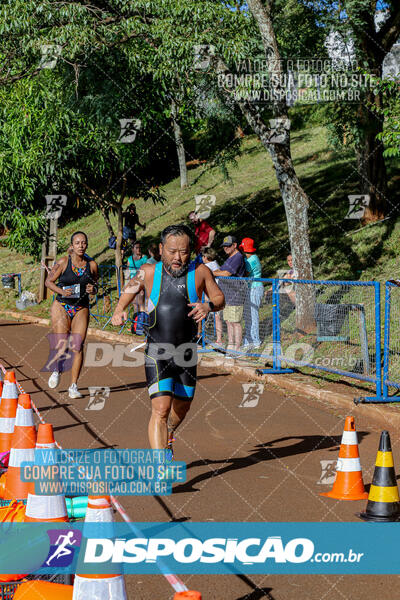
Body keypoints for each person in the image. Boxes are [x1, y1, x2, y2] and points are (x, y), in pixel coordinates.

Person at [111, 224, 225, 455]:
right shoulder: (149, 271)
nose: (177, 257)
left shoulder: (200, 272)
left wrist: (208, 305)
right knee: (160, 409)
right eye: (172, 251)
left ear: (190, 251)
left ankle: (169, 434)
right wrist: (119, 309)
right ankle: (160, 464)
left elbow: (219, 298)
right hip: (158, 351)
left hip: (186, 352)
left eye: (183, 252)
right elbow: (130, 288)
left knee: (181, 408)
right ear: (161, 249)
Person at [45, 231, 98, 398]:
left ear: (87, 244)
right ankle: (57, 369)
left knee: (78, 346)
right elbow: (48, 282)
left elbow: (95, 285)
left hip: (81, 307)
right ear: (72, 246)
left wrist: (93, 289)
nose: (81, 245)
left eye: (83, 242)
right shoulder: (63, 262)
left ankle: (73, 386)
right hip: (62, 305)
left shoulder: (92, 265)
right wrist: (62, 291)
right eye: (77, 243)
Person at [213, 235, 246, 352]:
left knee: (235, 322)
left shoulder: (238, 257)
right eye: (224, 246)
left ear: (235, 245)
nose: (225, 248)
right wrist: (215, 272)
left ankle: (237, 348)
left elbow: (226, 273)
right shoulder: (230, 257)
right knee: (228, 321)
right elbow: (219, 270)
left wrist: (213, 273)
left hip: (235, 294)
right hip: (227, 295)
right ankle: (230, 345)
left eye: (228, 246)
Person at [239, 238, 263, 349]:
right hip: (250, 288)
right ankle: (249, 340)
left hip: (255, 288)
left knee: (253, 315)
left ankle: (255, 341)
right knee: (247, 315)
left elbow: (245, 273)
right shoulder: (250, 258)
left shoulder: (252, 259)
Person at [201, 247, 223, 346]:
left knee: (215, 317)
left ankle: (216, 339)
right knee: (216, 317)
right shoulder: (215, 264)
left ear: (205, 257)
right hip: (216, 294)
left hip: (213, 295)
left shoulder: (207, 267)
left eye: (202, 256)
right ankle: (217, 339)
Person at [127, 241, 148, 313]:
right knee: (135, 303)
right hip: (132, 282)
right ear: (133, 249)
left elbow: (147, 271)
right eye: (136, 248)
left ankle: (143, 319)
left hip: (141, 282)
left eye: (140, 247)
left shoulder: (144, 258)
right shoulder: (129, 259)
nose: (138, 249)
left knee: (141, 301)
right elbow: (128, 272)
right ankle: (136, 321)